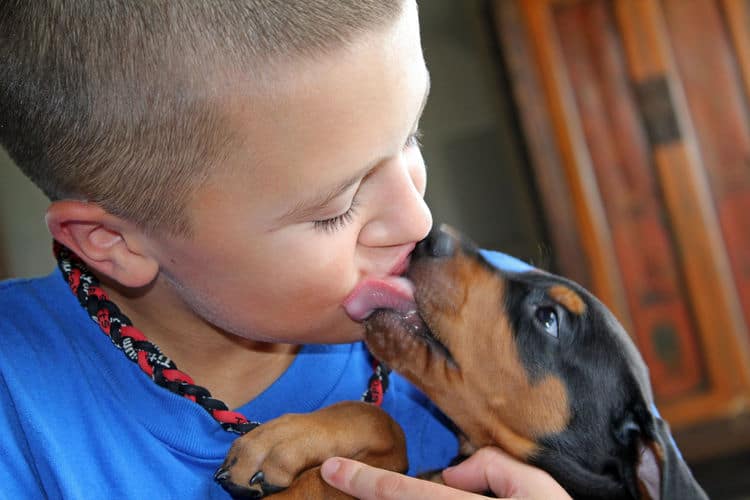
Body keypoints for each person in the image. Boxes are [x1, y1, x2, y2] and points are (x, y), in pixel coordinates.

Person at [0, 1, 570, 498]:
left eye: (410, 136)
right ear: (114, 243)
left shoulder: (525, 336)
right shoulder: (19, 418)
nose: (417, 221)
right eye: (336, 209)